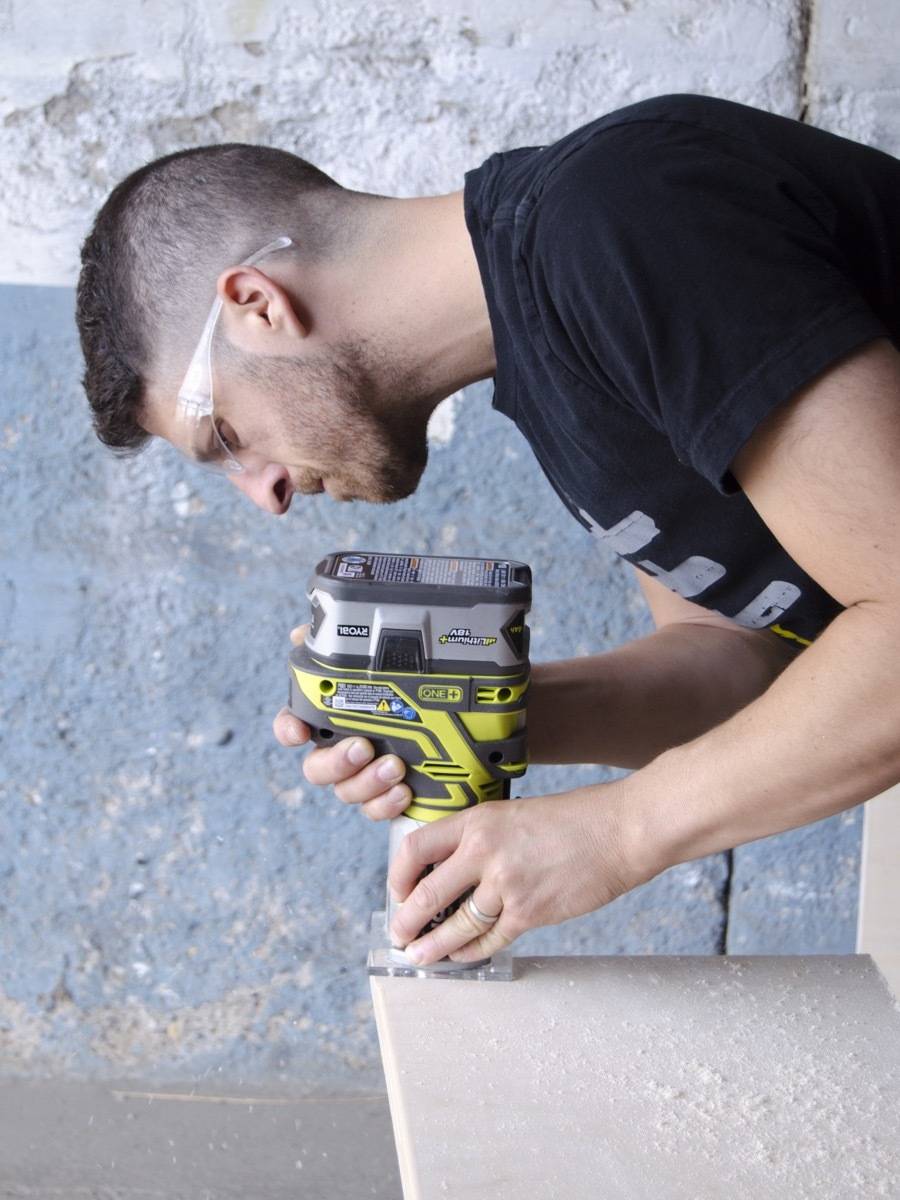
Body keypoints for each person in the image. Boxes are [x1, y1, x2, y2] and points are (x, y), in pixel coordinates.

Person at [76, 93, 900, 967]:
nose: (266, 495)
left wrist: (622, 832)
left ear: (257, 305)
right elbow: (744, 658)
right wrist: (481, 715)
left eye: (227, 440)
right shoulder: (548, 362)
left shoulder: (625, 217)